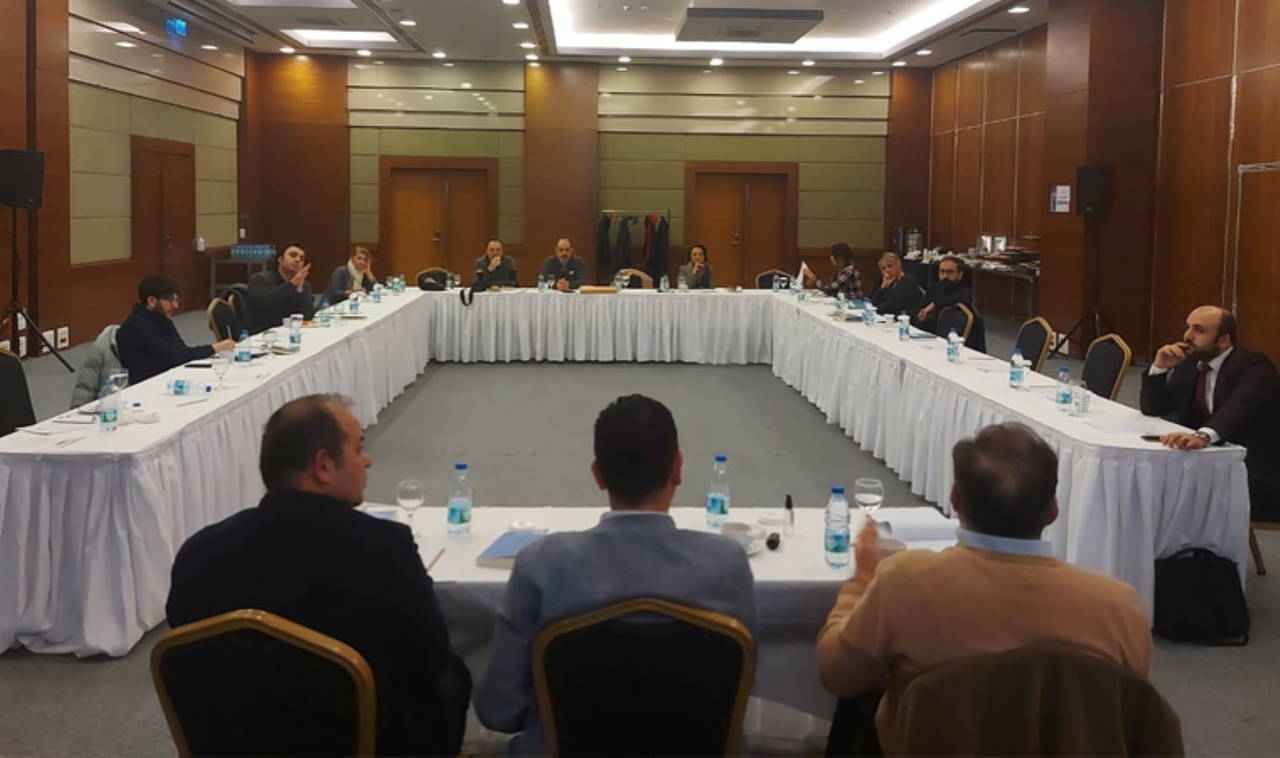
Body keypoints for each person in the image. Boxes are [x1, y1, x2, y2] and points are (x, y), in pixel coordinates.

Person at [817, 422, 1151, 755]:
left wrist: (861, 581)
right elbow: (1131, 716)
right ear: (1053, 511)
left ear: (955, 499)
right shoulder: (1119, 607)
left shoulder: (905, 581)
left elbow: (837, 673)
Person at [166, 394, 470, 756]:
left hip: (233, 739)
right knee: (450, 676)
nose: (368, 460)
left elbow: (188, 656)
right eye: (359, 448)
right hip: (354, 741)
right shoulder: (383, 546)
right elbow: (429, 656)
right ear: (323, 466)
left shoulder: (199, 553)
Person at [475, 394, 759, 755]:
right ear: (678, 468)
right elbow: (741, 688)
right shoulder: (727, 563)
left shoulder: (540, 564)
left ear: (597, 474)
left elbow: (499, 711)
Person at [1140, 306, 1280, 521]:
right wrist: (1159, 368)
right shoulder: (1190, 363)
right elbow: (1153, 408)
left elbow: (1239, 407)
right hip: (1210, 461)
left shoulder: (1254, 366)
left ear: (1223, 340)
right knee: (1150, 481)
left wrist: (1202, 436)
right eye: (1187, 327)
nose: (1187, 336)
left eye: (1198, 330)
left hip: (1254, 471)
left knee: (1171, 492)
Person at [115, 275, 234, 384]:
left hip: (168, 377)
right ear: (152, 301)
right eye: (171, 300)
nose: (176, 306)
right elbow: (176, 358)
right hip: (147, 386)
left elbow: (181, 352)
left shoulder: (161, 319)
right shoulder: (137, 326)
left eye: (176, 300)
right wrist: (216, 348)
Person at [247, 242, 315, 333]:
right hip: (261, 333)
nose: (297, 260)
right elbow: (265, 301)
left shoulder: (303, 284)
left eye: (302, 259)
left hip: (289, 333)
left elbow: (308, 316)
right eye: (293, 255)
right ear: (280, 259)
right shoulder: (259, 279)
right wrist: (291, 285)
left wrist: (300, 290)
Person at [914, 255, 973, 330]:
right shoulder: (934, 288)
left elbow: (956, 299)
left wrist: (934, 305)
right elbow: (920, 310)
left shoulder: (964, 292)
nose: (945, 276)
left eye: (950, 272)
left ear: (960, 275)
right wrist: (922, 315)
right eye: (942, 271)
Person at [869, 251, 923, 317]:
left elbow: (894, 304)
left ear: (898, 264)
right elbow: (873, 302)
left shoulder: (909, 281)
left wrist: (877, 309)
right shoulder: (883, 280)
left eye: (890, 266)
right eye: (883, 268)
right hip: (887, 317)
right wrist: (883, 287)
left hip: (905, 318)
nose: (887, 270)